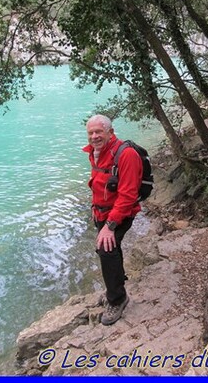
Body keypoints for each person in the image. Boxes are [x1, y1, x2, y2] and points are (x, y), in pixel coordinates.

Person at [82, 114, 143, 325]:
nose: (94, 136)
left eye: (99, 131)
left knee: (105, 249)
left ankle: (117, 299)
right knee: (112, 248)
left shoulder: (126, 155)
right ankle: (114, 285)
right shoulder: (95, 152)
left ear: (110, 131)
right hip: (101, 211)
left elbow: (128, 196)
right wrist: (94, 206)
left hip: (121, 212)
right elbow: (97, 182)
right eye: (91, 132)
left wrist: (110, 225)